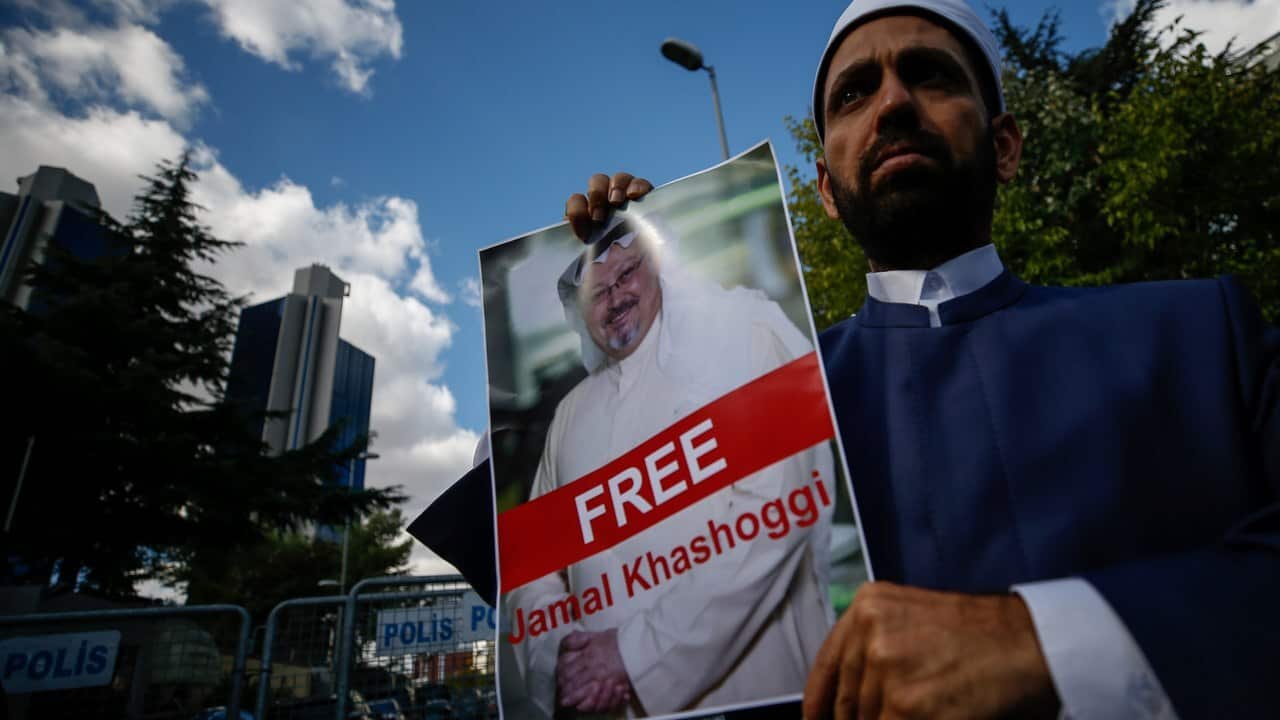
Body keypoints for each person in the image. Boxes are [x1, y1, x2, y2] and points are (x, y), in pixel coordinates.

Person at [562, 1, 1280, 718]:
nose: (894, 103)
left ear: (1004, 147)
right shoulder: (763, 393)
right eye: (854, 93)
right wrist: (656, 310)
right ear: (825, 192)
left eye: (931, 75)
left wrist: (1051, 641)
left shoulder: (1199, 338)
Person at [504, 212, 838, 718]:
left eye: (627, 274)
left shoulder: (744, 336)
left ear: (660, 267)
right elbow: (534, 571)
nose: (615, 299)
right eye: (597, 293)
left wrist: (632, 656)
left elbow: (776, 516)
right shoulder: (569, 417)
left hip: (765, 693)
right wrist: (561, 653)